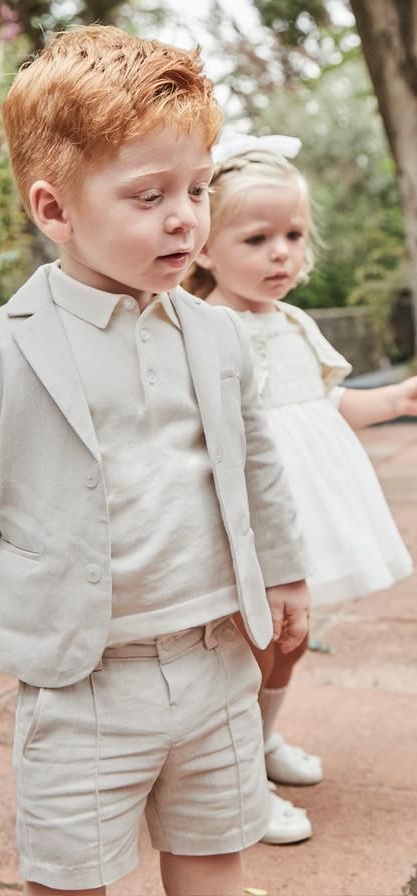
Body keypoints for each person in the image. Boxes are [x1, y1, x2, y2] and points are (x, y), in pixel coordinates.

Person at [0, 30, 312, 896]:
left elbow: (257, 467)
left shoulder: (218, 335)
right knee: (69, 874)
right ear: (55, 210)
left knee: (214, 856)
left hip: (213, 657)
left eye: (199, 189)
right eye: (149, 195)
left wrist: (284, 573)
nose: (186, 217)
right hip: (84, 676)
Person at [183, 133, 416, 846]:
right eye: (256, 238)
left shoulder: (290, 322)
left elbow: (324, 403)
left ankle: (260, 739)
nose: (281, 253)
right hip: (248, 514)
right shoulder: (201, 329)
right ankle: (232, 780)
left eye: (292, 235)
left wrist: (399, 398)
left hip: (308, 512)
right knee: (251, 642)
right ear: (203, 249)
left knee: (289, 639)